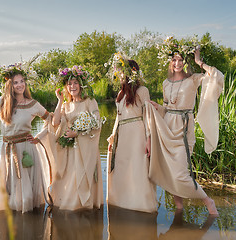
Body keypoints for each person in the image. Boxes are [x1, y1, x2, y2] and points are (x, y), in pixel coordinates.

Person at [146, 37, 223, 215]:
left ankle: (207, 200)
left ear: (185, 62)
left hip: (183, 129)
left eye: (181, 60)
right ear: (170, 62)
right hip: (167, 128)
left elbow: (217, 77)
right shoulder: (165, 83)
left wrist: (199, 62)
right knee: (170, 173)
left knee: (180, 173)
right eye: (174, 59)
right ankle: (179, 209)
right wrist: (158, 107)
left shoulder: (193, 79)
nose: (178, 63)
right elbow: (167, 109)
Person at [0, 63, 52, 213]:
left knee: (26, 194)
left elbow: (50, 119)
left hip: (26, 149)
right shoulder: (2, 101)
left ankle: (30, 223)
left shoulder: (33, 104)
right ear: (9, 85)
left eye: (22, 81)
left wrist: (39, 137)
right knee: (12, 190)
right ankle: (15, 220)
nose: (20, 85)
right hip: (7, 150)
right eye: (15, 82)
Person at [41, 65, 103, 211]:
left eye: (75, 83)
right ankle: (70, 204)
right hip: (69, 149)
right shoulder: (66, 104)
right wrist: (59, 101)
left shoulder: (90, 101)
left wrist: (78, 134)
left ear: (81, 85)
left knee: (80, 177)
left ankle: (82, 207)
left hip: (84, 147)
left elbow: (97, 123)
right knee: (69, 179)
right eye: (69, 84)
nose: (72, 86)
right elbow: (55, 122)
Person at [106, 52, 158, 213]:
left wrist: (149, 139)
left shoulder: (142, 90)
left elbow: (147, 116)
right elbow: (118, 117)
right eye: (118, 72)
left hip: (137, 134)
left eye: (122, 72)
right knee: (122, 168)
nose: (119, 75)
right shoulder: (120, 94)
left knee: (138, 168)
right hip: (123, 135)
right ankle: (122, 202)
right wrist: (113, 136)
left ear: (131, 73)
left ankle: (141, 204)